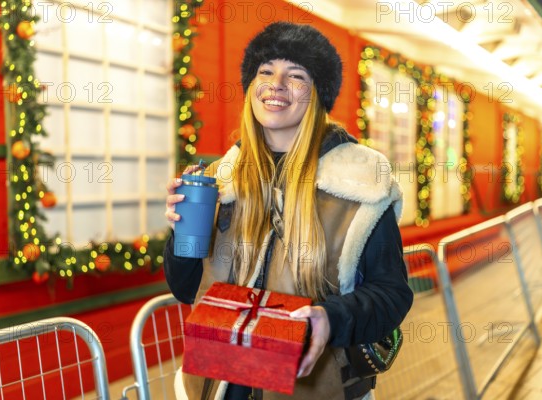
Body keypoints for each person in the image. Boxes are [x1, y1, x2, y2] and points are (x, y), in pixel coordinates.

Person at [163, 21, 413, 400]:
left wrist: (332, 319)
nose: (276, 84)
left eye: (295, 75)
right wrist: (180, 231)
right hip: (216, 384)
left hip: (314, 388)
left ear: (316, 94)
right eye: (266, 71)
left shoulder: (360, 181)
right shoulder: (222, 177)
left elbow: (393, 293)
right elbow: (185, 290)